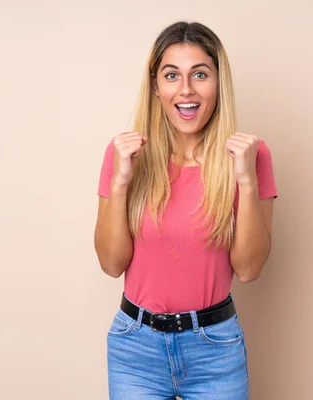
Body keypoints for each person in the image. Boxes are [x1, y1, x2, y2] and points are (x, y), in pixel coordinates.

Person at [94, 21, 277, 400]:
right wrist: (120, 183)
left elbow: (249, 269)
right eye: (172, 75)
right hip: (136, 348)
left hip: (214, 349)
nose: (186, 89)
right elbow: (112, 265)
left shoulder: (251, 156)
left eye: (200, 74)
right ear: (156, 87)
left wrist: (245, 181)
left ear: (218, 83)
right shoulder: (125, 155)